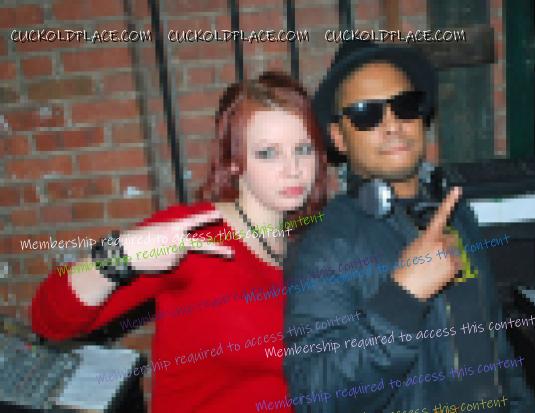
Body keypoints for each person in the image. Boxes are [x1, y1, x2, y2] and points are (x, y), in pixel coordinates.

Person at [31, 71, 327, 413]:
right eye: (268, 153)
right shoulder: (194, 237)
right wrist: (116, 258)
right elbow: (50, 320)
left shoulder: (313, 239)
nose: (293, 169)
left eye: (302, 149)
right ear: (233, 162)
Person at [283, 40, 535, 412]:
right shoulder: (326, 248)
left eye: (404, 105)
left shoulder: (454, 213)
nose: (392, 125)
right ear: (339, 138)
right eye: (366, 113)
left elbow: (495, 345)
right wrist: (402, 298)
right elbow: (314, 396)